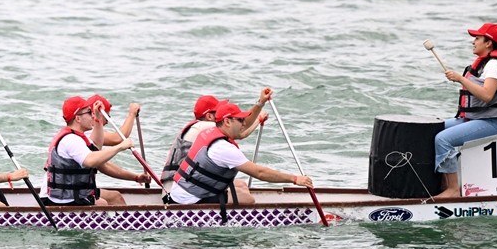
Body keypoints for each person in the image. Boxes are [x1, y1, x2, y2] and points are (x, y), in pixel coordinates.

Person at [167, 101, 312, 210]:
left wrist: (259, 112)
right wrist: (294, 179)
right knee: (248, 199)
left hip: (181, 191)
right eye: (240, 120)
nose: (244, 123)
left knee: (241, 185)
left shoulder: (210, 131)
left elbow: (242, 134)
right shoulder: (223, 148)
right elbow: (260, 173)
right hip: (188, 201)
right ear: (227, 121)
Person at [434, 22, 497, 199]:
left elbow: (487, 95)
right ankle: (441, 183)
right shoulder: (486, 63)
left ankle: (453, 190)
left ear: (488, 43)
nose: (473, 42)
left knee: (443, 139)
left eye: (477, 38)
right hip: (479, 118)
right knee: (431, 129)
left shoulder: (495, 65)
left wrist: (460, 79)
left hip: (492, 122)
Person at [41, 96, 149, 207]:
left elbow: (97, 150)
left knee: (113, 197)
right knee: (102, 203)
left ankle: (120, 223)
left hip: (68, 194)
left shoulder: (80, 137)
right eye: (89, 112)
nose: (92, 115)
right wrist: (120, 147)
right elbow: (91, 161)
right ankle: (120, 223)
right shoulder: (71, 140)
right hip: (61, 198)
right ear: (78, 118)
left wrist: (98, 118)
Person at [161, 89, 272, 192]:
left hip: (178, 186)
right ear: (209, 116)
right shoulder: (205, 127)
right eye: (218, 111)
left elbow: (240, 132)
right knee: (242, 193)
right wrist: (260, 103)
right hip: (178, 190)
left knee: (241, 185)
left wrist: (258, 120)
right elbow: (243, 126)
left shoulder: (200, 127)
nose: (222, 114)